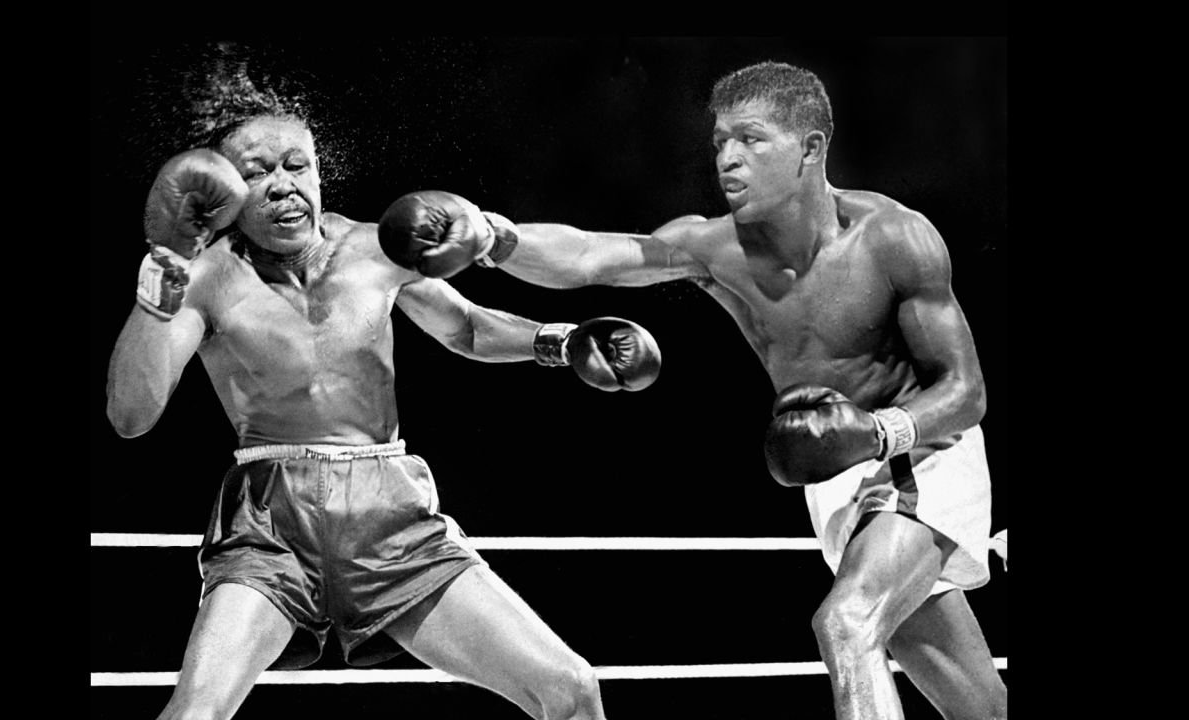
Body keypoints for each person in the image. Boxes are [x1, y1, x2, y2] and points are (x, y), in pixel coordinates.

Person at [384, 61, 1006, 720]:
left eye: (751, 139)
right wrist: (491, 236)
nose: (728, 159)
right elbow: (595, 257)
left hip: (918, 451)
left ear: (811, 148)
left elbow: (965, 390)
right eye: (720, 143)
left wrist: (879, 432)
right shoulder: (716, 247)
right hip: (834, 479)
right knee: (978, 706)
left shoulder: (892, 237)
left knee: (848, 624)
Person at [104, 68, 664, 720]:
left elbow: (467, 328)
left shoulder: (375, 247)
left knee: (570, 691)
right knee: (195, 710)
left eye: (298, 165)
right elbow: (130, 416)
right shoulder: (204, 278)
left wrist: (558, 341)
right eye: (258, 173)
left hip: (391, 517)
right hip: (270, 526)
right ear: (223, 194)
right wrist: (161, 282)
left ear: (320, 171)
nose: (285, 185)